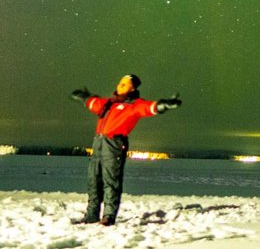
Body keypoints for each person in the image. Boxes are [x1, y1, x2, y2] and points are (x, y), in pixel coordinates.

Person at [70, 74, 183, 225]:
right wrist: (83, 97)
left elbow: (148, 108)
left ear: (133, 88)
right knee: (93, 180)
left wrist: (163, 105)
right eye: (120, 83)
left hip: (114, 144)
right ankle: (92, 214)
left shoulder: (133, 105)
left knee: (111, 181)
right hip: (98, 143)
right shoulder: (108, 104)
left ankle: (108, 217)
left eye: (125, 84)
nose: (120, 85)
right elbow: (94, 102)